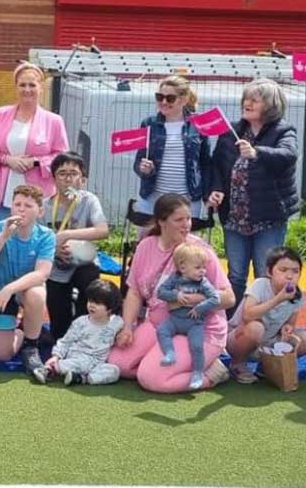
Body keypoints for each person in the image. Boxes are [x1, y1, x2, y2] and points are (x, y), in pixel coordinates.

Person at [108, 194, 236, 393]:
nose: (186, 225)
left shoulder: (199, 251)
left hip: (198, 328)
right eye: (179, 220)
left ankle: (211, 375)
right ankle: (162, 363)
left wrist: (194, 300)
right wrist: (127, 327)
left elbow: (229, 298)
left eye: (188, 219)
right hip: (159, 325)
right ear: (162, 222)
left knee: (151, 378)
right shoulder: (146, 246)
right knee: (118, 364)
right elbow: (134, 292)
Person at [206, 78, 298, 305]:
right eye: (245, 99)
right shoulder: (231, 131)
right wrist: (216, 190)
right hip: (234, 218)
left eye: (254, 100)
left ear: (270, 105)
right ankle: (232, 324)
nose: (246, 103)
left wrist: (257, 153)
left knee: (264, 275)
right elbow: (217, 165)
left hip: (268, 218)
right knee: (235, 275)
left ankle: (262, 326)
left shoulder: (283, 131)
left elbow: (288, 155)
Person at [0, 184, 55, 372]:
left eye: (28, 206)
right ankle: (22, 329)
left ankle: (31, 345)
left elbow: (42, 273)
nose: (21, 209)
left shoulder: (46, 236)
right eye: (17, 204)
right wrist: (4, 236)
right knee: (1, 354)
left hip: (21, 290)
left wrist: (10, 289)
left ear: (40, 211)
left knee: (37, 293)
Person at [0, 62, 68, 220]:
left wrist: (36, 162)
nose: (27, 90)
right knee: (2, 241)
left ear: (41, 87)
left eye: (32, 85)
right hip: (4, 199)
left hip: (40, 200)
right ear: (16, 87)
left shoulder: (54, 121)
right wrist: (6, 159)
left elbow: (62, 158)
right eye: (22, 85)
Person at [42, 153, 109, 341]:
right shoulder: (44, 205)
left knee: (90, 280)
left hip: (83, 264)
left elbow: (102, 230)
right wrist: (53, 249)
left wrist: (67, 235)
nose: (68, 178)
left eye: (74, 173)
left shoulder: (89, 200)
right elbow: (36, 240)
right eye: (62, 173)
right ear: (54, 179)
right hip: (56, 265)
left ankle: (84, 329)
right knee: (59, 330)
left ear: (83, 180)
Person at [134, 74, 212, 221]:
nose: (163, 102)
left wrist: (207, 195)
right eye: (159, 97)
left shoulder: (198, 124)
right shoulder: (148, 123)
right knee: (149, 242)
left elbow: (205, 163)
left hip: (188, 199)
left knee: (185, 244)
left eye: (170, 98)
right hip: (153, 197)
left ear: (183, 100)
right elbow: (138, 162)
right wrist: (144, 169)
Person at [227, 247, 306, 384]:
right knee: (256, 327)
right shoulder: (260, 285)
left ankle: (266, 368)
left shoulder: (296, 295)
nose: (289, 276)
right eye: (283, 270)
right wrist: (278, 299)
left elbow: (291, 323)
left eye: (295, 271)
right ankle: (237, 364)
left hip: (268, 344)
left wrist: (287, 328)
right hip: (240, 339)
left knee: (303, 338)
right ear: (270, 271)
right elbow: (247, 315)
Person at [155, 243, 223, 389]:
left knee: (197, 346)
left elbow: (215, 298)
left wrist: (200, 308)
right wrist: (176, 295)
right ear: (182, 267)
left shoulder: (203, 283)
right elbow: (161, 292)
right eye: (198, 267)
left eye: (204, 267)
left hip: (194, 323)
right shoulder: (175, 278)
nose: (203, 271)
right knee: (162, 330)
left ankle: (197, 372)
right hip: (174, 320)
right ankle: (170, 353)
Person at [36, 279, 124, 386]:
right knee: (76, 364)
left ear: (110, 308)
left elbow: (128, 326)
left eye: (97, 303)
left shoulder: (116, 322)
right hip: (78, 357)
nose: (92, 305)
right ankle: (49, 370)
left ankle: (81, 378)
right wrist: (56, 356)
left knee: (114, 370)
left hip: (97, 363)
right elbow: (66, 341)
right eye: (90, 301)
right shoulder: (81, 322)